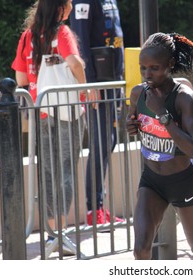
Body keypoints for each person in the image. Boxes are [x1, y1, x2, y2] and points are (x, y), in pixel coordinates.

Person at [126, 32, 193, 260]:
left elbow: (192, 148)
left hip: (183, 183)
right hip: (152, 181)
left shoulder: (184, 98)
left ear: (169, 65)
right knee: (140, 250)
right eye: (143, 68)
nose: (147, 75)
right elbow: (132, 121)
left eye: (154, 68)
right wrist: (130, 126)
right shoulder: (138, 93)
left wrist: (163, 114)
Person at [12, 0, 88, 255]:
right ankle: (60, 234)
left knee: (47, 170)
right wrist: (84, 91)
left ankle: (51, 234)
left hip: (40, 111)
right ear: (60, 9)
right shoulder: (62, 32)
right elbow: (75, 64)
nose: (70, 7)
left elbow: (21, 79)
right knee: (64, 169)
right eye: (67, 3)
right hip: (67, 110)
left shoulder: (27, 36)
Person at [69, 0, 125, 225]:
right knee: (100, 141)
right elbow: (79, 41)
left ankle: (100, 206)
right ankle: (94, 210)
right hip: (98, 85)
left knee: (108, 141)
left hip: (114, 81)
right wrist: (90, 84)